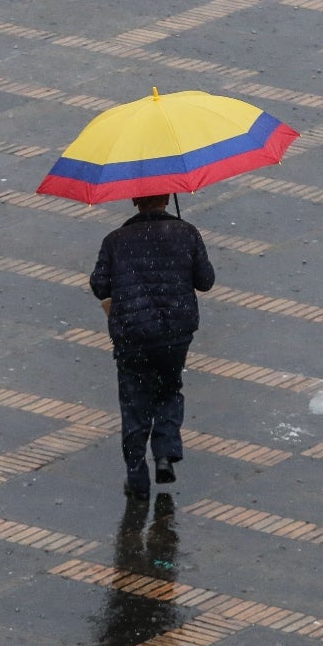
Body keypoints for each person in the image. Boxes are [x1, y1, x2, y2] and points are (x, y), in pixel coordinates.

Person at [90, 194, 216, 498]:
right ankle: (165, 454)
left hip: (133, 334)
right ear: (168, 197)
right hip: (175, 332)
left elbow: (99, 285)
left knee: (134, 402)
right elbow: (205, 281)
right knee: (169, 389)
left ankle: (137, 478)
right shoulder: (186, 232)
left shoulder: (115, 240)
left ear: (135, 200)